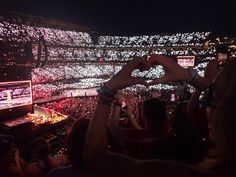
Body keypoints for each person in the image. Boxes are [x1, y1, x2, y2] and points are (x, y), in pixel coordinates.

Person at [83, 54, 236, 177]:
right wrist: (196, 79)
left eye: (210, 97)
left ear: (226, 115)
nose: (206, 107)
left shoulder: (179, 172)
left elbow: (95, 156)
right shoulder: (171, 133)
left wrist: (109, 89)